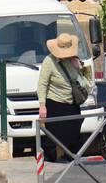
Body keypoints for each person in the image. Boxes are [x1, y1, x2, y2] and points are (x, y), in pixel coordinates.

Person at [36, 32, 93, 163]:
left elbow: (88, 85)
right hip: (54, 102)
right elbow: (42, 84)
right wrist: (42, 105)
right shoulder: (49, 61)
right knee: (52, 135)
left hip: (72, 103)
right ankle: (50, 158)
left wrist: (81, 68)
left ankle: (71, 156)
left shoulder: (75, 60)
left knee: (74, 131)